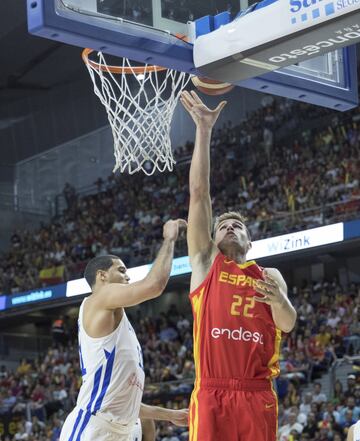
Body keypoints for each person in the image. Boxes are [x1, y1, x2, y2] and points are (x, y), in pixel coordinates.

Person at [180, 90, 297, 441]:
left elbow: (288, 324)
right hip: (212, 392)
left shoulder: (269, 275)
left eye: (238, 226)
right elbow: (199, 193)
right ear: (212, 240)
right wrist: (204, 129)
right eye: (223, 226)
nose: (230, 227)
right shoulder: (205, 263)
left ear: (250, 242)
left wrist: (278, 300)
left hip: (256, 392)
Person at [60, 219, 188, 441]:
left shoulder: (118, 320)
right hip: (93, 426)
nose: (127, 276)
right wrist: (169, 239)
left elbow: (123, 402)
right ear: (102, 276)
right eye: (121, 270)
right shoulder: (100, 297)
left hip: (119, 429)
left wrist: (170, 415)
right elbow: (154, 285)